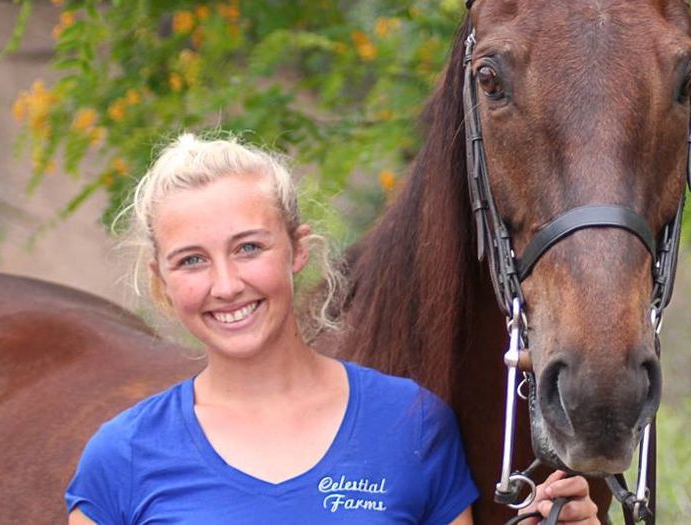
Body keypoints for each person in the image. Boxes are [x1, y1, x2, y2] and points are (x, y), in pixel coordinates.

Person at [65, 133, 598, 524]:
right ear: (161, 282)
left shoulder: (411, 424)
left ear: (299, 250)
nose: (225, 285)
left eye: (248, 247)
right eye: (191, 261)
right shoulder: (123, 457)